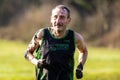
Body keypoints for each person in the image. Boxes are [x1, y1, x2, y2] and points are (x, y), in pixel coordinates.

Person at [24, 5, 88, 80]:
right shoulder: (42, 34)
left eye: (62, 17)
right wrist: (36, 62)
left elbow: (84, 51)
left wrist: (80, 67)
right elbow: (27, 53)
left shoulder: (75, 37)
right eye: (55, 17)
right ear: (51, 19)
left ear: (68, 20)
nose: (58, 21)